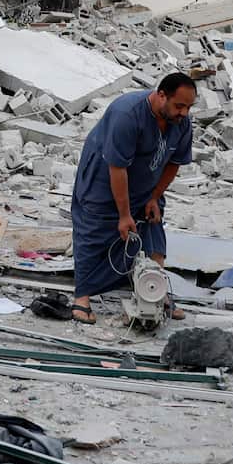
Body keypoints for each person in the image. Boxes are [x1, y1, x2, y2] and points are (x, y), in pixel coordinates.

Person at [68, 73, 197, 324]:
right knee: (94, 230)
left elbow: (174, 161)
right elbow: (117, 167)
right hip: (104, 178)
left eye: (189, 107)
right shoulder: (127, 114)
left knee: (153, 226)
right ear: (161, 95)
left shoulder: (181, 122)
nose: (184, 112)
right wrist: (125, 215)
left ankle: (157, 293)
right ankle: (82, 297)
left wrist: (154, 196)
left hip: (146, 180)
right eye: (179, 105)